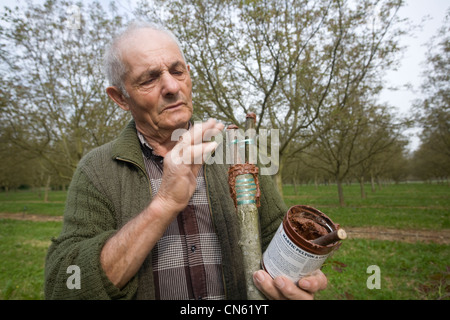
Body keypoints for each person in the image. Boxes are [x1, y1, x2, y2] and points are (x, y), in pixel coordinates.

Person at [44, 21, 327, 300]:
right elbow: (65, 285)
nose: (171, 86)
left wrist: (296, 273)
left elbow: (272, 235)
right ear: (120, 97)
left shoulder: (238, 148)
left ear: (189, 75)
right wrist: (164, 204)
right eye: (149, 78)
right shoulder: (97, 169)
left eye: (177, 71)